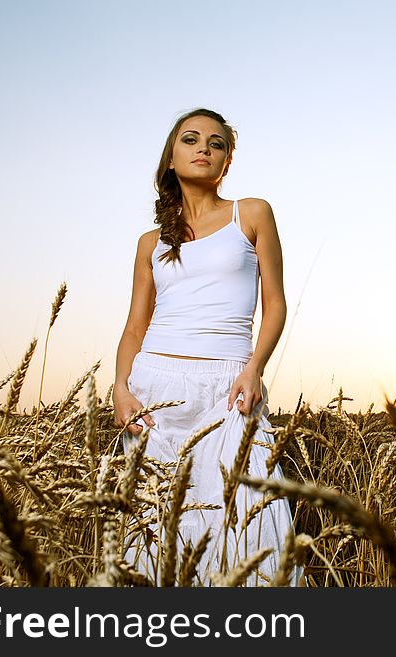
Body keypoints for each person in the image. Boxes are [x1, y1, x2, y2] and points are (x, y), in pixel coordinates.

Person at [112, 108, 299, 586]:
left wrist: (255, 367)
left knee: (250, 528)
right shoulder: (150, 243)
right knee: (152, 532)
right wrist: (119, 388)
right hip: (154, 390)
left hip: (228, 385)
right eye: (190, 139)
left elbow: (275, 305)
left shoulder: (251, 213)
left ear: (226, 161)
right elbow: (136, 325)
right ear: (171, 159)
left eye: (215, 143)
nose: (203, 148)